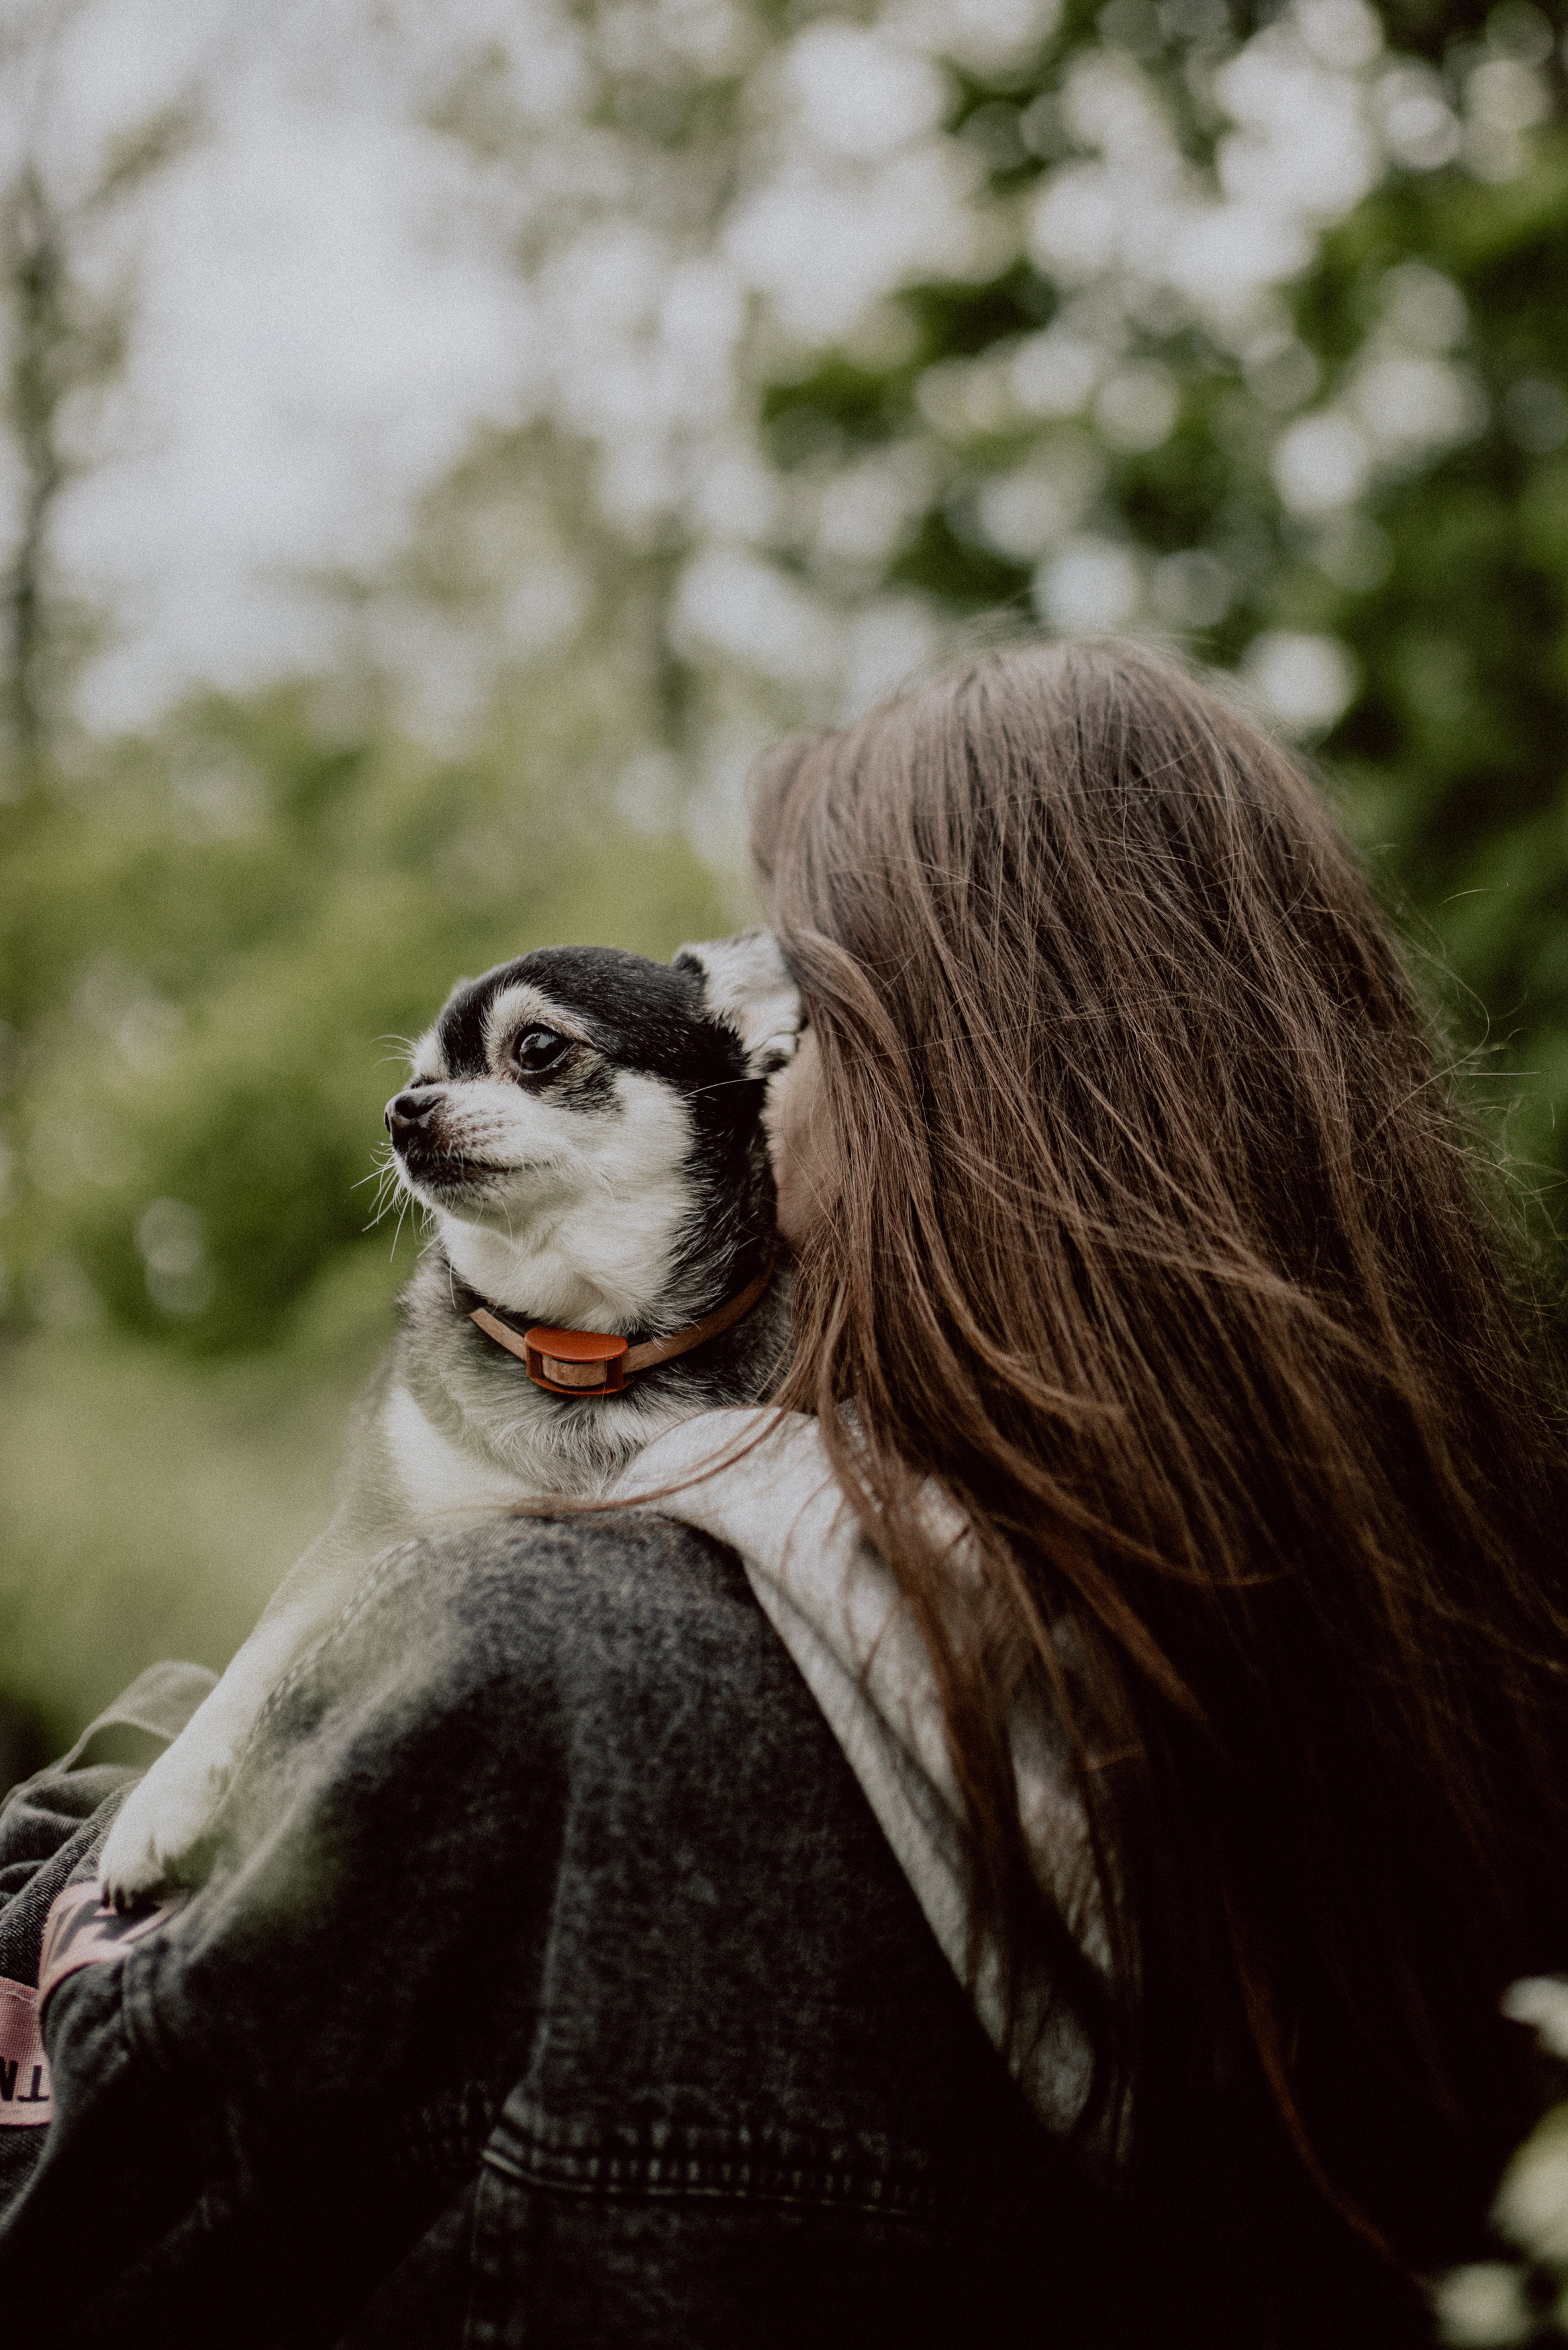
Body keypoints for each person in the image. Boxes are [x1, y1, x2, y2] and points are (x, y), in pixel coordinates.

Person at [2, 637, 1566, 2347]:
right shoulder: (1460, 1660)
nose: (750, 1088)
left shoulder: (567, 1661)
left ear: (947, 1101)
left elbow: (95, 2218)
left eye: (782, 1024)